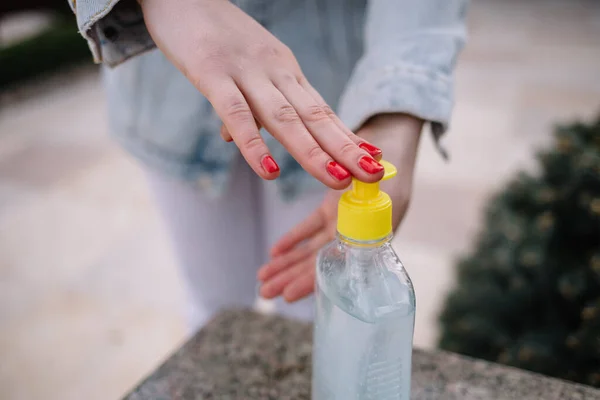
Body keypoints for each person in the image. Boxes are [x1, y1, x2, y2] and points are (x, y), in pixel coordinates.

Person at [68, 0, 467, 329]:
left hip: (330, 95)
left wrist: (394, 110)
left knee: (320, 316)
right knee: (215, 314)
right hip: (165, 76)